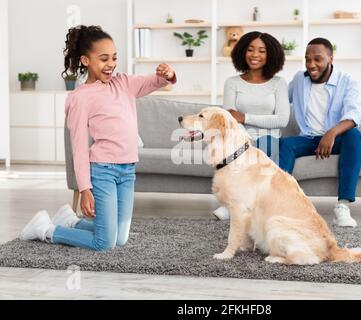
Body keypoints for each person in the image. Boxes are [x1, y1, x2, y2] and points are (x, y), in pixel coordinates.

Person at [19, 25, 176, 250]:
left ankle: (70, 221)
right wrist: (84, 188)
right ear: (85, 60)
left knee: (119, 239)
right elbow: (79, 147)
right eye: (104, 58)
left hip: (128, 170)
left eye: (114, 57)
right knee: (104, 244)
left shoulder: (123, 83)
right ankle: (46, 230)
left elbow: (154, 82)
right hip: (103, 171)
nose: (111, 64)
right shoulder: (80, 98)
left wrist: (166, 75)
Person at [280, 37, 361, 227]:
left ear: (330, 58)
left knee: (354, 136)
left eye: (317, 59)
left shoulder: (348, 82)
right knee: (284, 144)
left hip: (336, 140)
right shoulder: (299, 80)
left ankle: (342, 206)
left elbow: (354, 115)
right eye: (307, 59)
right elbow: (280, 101)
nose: (311, 65)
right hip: (308, 139)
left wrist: (331, 133)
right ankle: (281, 204)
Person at [213, 31, 290, 220]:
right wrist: (242, 135)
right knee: (237, 150)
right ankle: (232, 203)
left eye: (262, 51)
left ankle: (246, 205)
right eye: (250, 49)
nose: (255, 55)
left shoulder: (279, 84)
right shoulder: (232, 83)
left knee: (265, 146)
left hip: (269, 138)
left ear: (271, 54)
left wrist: (244, 117)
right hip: (240, 137)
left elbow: (281, 120)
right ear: (242, 52)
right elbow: (229, 120)